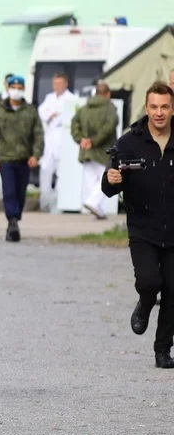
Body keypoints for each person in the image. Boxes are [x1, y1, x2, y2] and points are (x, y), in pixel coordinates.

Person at [102, 82, 174, 368]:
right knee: (149, 282)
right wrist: (111, 180)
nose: (159, 112)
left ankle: (162, 350)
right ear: (146, 108)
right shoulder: (129, 142)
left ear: (172, 108)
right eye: (154, 107)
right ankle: (145, 303)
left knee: (172, 289)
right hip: (143, 228)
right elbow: (108, 187)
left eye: (165, 106)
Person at [0, 75, 42, 241]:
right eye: (13, 87)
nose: (16, 91)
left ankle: (15, 218)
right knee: (9, 191)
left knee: (20, 194)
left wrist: (36, 154)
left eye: (19, 87)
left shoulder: (30, 111)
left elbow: (38, 135)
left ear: (23, 89)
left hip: (24, 159)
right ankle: (12, 221)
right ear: (8, 89)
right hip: (5, 159)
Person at [71, 79, 119, 220]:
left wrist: (81, 140)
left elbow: (74, 124)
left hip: (85, 151)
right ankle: (93, 202)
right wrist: (94, 141)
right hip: (103, 151)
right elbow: (110, 126)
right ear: (107, 94)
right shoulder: (109, 108)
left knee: (92, 181)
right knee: (106, 179)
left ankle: (97, 208)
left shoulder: (84, 109)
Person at [37, 72, 77, 206]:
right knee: (46, 168)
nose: (57, 86)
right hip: (50, 137)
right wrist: (51, 115)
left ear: (66, 84)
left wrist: (55, 115)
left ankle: (59, 200)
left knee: (62, 169)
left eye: (60, 83)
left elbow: (67, 116)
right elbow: (42, 111)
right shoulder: (49, 98)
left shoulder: (71, 98)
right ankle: (45, 199)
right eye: (55, 83)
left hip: (63, 137)